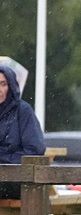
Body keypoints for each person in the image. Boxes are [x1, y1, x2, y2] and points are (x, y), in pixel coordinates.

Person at [0, 64, 46, 199]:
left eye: (3, 84)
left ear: (11, 86)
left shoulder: (23, 111)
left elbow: (35, 149)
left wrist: (4, 160)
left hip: (17, 178)